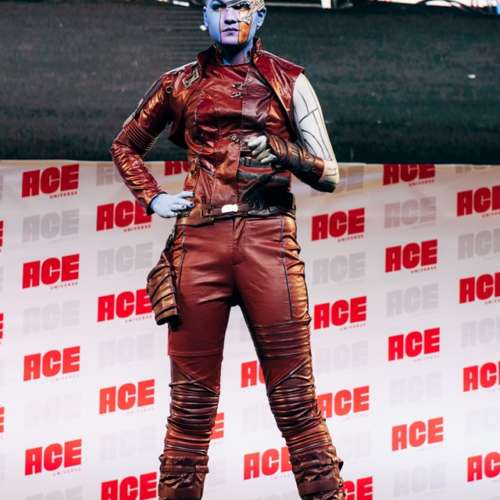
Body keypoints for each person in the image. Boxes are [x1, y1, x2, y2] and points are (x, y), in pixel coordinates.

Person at [110, 1, 345, 498]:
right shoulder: (178, 82)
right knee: (190, 407)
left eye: (242, 6)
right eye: (219, 6)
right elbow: (125, 144)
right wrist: (152, 197)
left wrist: (281, 151)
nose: (231, 16)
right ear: (204, 16)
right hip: (199, 241)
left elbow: (329, 174)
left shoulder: (290, 80)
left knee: (296, 401)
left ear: (260, 16)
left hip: (268, 239)